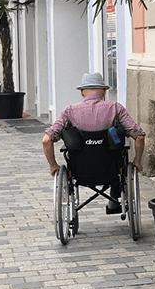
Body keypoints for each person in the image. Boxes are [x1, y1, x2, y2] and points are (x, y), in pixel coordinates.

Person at [41, 72, 145, 214]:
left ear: (82, 92)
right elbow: (139, 136)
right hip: (112, 171)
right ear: (104, 91)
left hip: (80, 172)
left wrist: (53, 165)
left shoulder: (70, 111)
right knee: (120, 153)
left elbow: (46, 140)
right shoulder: (115, 108)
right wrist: (137, 161)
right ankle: (114, 199)